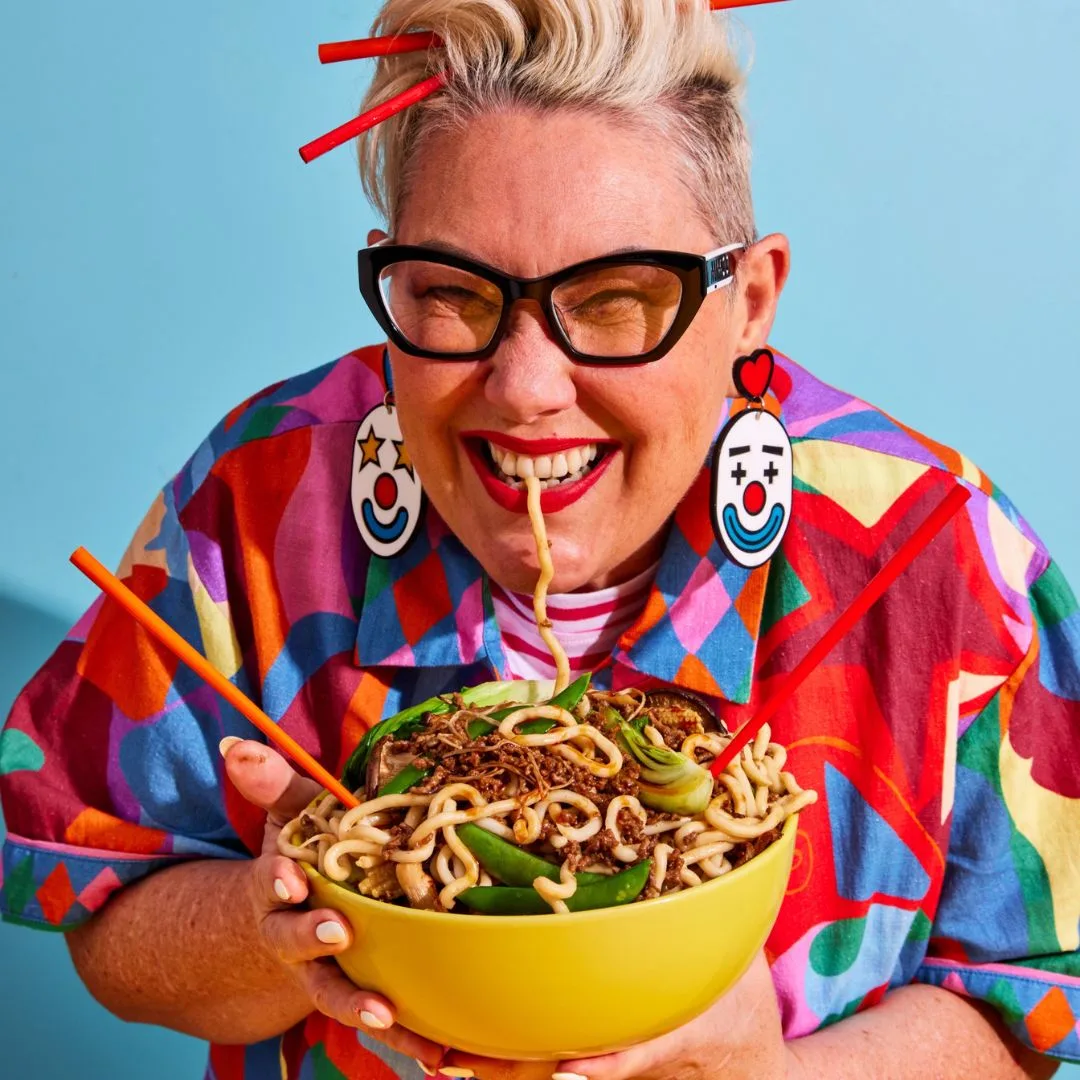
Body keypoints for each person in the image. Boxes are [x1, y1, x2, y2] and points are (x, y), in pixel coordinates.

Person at [1, 1, 1077, 1078]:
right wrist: (269, 919)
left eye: (614, 300)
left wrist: (774, 1076)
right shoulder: (258, 497)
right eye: (453, 295)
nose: (523, 391)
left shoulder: (937, 546)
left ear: (749, 298)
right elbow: (102, 907)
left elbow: (1037, 1003)